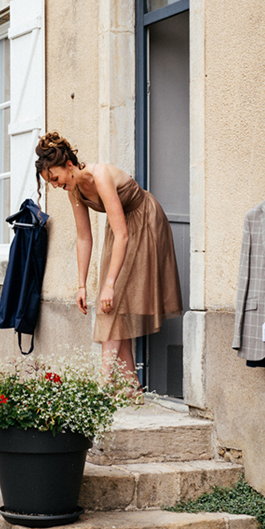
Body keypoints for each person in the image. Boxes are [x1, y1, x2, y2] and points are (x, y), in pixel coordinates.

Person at [35, 132, 181, 385]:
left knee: (112, 299)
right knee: (112, 306)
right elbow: (84, 238)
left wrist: (110, 284)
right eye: (51, 183)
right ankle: (130, 386)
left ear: (69, 165)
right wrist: (81, 285)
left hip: (144, 220)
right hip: (119, 228)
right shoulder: (74, 191)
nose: (56, 185)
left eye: (56, 178)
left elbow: (123, 233)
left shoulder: (100, 176)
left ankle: (102, 385)